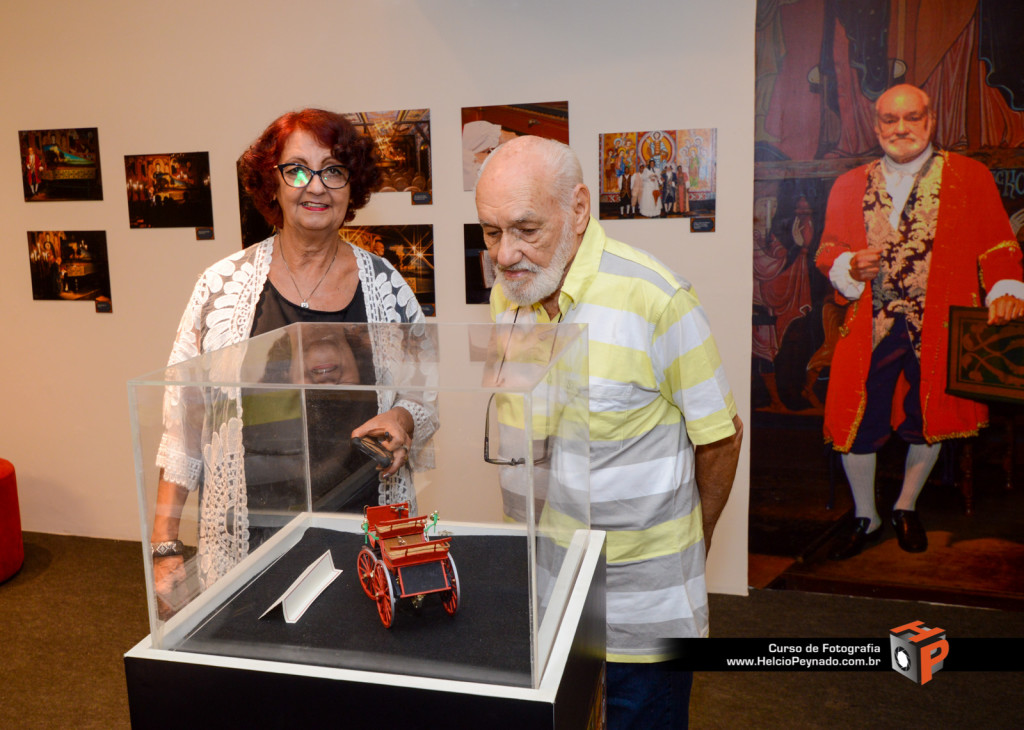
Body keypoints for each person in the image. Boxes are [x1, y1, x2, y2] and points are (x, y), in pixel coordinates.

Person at [476, 136, 743, 729]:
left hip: (642, 608)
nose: (505, 254)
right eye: (491, 232)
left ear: (577, 209)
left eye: (525, 228)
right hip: (548, 591)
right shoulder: (510, 295)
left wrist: (691, 549)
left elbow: (722, 436)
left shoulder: (657, 298)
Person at [150, 109, 437, 611]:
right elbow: (183, 422)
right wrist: (166, 546)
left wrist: (403, 415)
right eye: (297, 169)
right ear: (273, 183)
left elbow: (423, 390)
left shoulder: (387, 285)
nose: (316, 187)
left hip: (362, 529)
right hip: (251, 533)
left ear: (352, 186)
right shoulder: (220, 287)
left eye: (333, 170)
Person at [817, 84, 1024, 560]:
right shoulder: (848, 185)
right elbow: (826, 251)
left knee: (926, 422)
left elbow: (998, 244)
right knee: (857, 422)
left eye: (912, 118)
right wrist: (848, 265)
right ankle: (865, 515)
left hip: (939, 326)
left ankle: (906, 506)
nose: (901, 128)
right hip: (870, 324)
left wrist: (1006, 290)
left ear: (931, 122)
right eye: (890, 119)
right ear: (876, 127)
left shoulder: (969, 177)